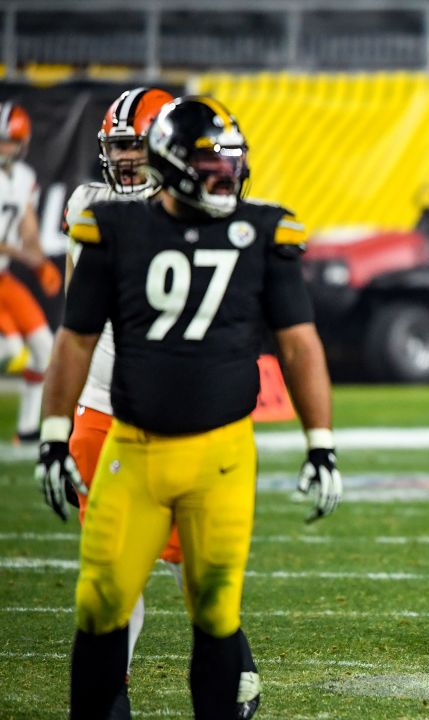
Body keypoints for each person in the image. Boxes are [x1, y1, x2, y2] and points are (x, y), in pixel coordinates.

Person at [35, 95, 342, 718]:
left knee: (212, 601)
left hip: (217, 440)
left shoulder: (261, 227)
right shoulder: (101, 218)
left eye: (227, 162)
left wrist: (320, 440)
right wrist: (51, 429)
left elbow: (298, 340)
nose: (222, 175)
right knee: (105, 594)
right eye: (207, 162)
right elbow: (75, 333)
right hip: (122, 422)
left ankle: (234, 680)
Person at [60, 86, 261, 718]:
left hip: (179, 409)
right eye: (116, 147)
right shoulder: (92, 205)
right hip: (102, 404)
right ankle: (115, 692)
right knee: (118, 566)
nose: (121, 160)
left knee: (190, 556)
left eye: (133, 146)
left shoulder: (195, 213)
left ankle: (238, 670)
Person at [0, 101, 63, 442]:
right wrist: (31, 260)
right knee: (9, 349)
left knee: (43, 346)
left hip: (4, 277)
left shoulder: (23, 178)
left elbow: (28, 228)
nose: (3, 148)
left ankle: (27, 428)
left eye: (8, 140)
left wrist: (41, 263)